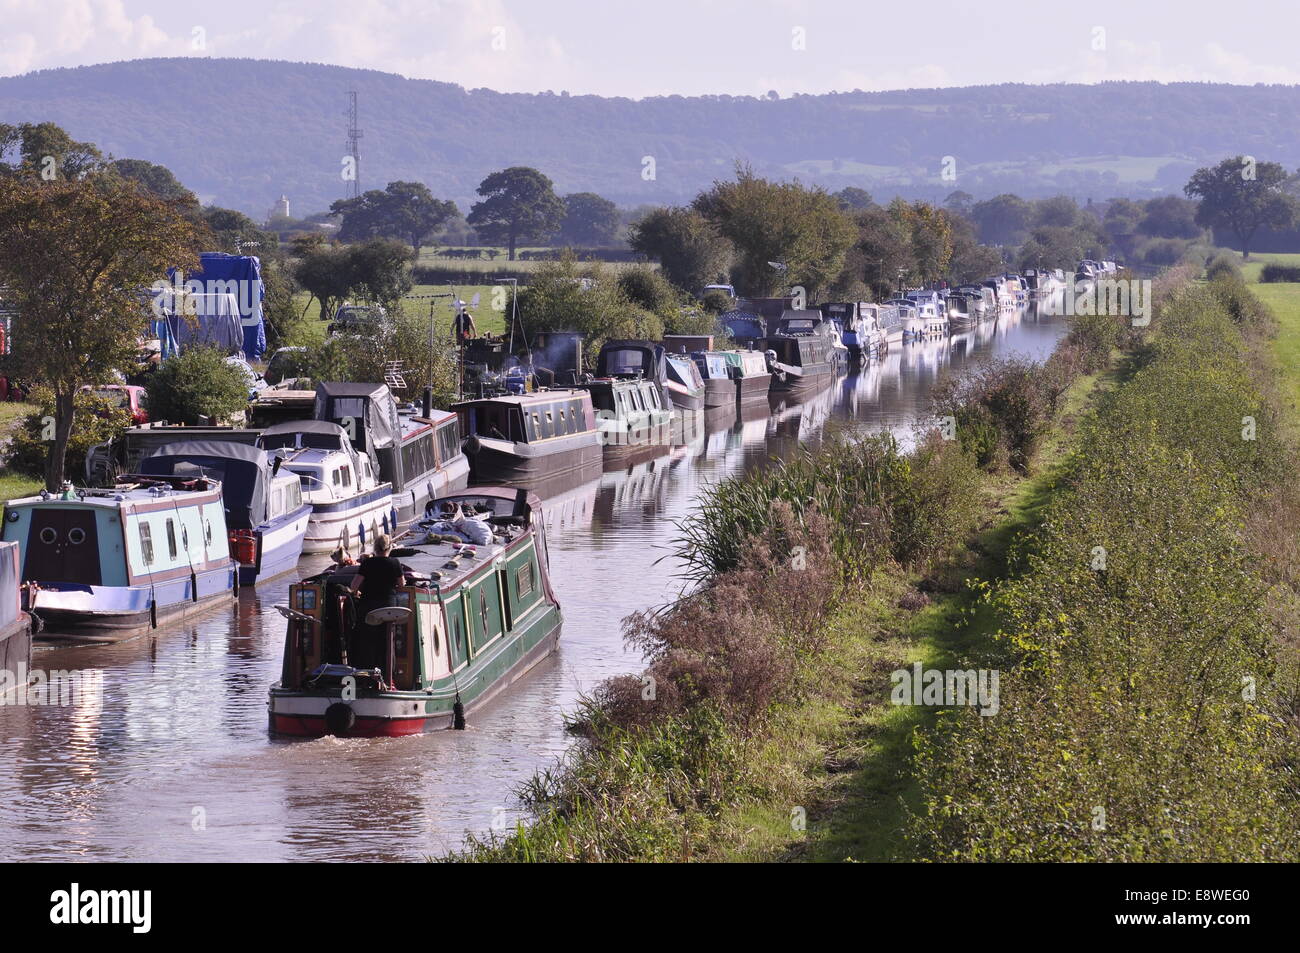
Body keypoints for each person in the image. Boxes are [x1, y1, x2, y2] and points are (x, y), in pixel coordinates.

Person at [348, 535, 406, 672]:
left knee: (366, 638)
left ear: (375, 548)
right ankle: (387, 674)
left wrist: (356, 592)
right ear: (389, 547)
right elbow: (402, 584)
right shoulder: (395, 563)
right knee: (387, 639)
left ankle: (364, 672)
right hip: (388, 608)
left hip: (369, 607)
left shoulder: (367, 563)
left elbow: (354, 585)